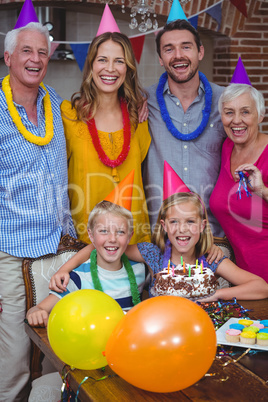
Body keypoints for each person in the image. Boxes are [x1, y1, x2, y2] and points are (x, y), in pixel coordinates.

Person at [0, 20, 75, 401]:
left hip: (58, 245)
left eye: (42, 52)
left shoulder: (55, 101)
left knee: (55, 342)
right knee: (13, 350)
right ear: (8, 57)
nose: (35, 59)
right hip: (11, 249)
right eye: (27, 51)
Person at [50, 191, 268, 301]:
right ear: (164, 226)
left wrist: (219, 294)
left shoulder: (210, 259)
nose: (182, 230)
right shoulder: (153, 254)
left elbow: (261, 287)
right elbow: (104, 246)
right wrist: (64, 269)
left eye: (190, 222)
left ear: (202, 226)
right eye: (174, 222)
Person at [62, 31, 151, 245]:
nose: (110, 68)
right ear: (91, 65)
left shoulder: (139, 118)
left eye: (119, 61)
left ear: (127, 68)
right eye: (102, 59)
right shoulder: (68, 116)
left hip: (133, 242)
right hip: (85, 242)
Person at [142, 19, 226, 236]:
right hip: (161, 234)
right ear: (161, 59)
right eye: (169, 49)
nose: (178, 55)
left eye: (186, 46)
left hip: (213, 234)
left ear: (200, 52)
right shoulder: (143, 101)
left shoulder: (226, 102)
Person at [26, 200, 146, 327]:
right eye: (104, 231)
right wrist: (35, 313)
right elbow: (38, 309)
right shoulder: (78, 278)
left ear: (129, 236)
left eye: (120, 232)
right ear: (91, 235)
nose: (112, 239)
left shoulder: (139, 269)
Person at [210, 83, 268, 282]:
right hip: (243, 278)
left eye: (245, 112)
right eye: (229, 112)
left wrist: (263, 190)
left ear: (260, 115)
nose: (236, 120)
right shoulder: (227, 147)